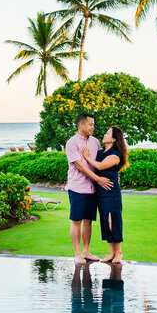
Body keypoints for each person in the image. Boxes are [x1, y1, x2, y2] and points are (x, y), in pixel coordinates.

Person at [65, 113, 112, 264]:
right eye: (90, 124)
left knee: (88, 221)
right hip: (77, 187)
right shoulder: (72, 143)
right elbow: (79, 165)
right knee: (76, 221)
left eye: (93, 124)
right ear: (81, 125)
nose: (93, 127)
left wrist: (112, 174)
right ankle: (77, 253)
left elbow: (100, 162)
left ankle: (86, 251)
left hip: (92, 189)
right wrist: (98, 179)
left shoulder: (96, 142)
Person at [82, 125, 128, 264]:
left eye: (108, 133)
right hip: (101, 192)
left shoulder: (115, 154)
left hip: (111, 192)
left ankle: (118, 252)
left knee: (112, 220)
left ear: (113, 139)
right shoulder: (101, 152)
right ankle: (111, 253)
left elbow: (100, 166)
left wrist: (88, 158)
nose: (104, 134)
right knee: (105, 222)